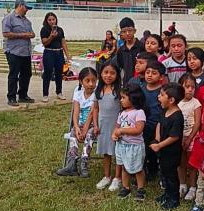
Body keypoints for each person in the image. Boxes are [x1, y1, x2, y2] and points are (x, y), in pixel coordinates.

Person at [56, 67, 98, 177]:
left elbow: (92, 113)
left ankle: (84, 162)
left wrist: (85, 129)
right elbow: (76, 111)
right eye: (87, 81)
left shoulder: (97, 92)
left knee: (89, 134)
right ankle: (72, 164)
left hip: (93, 124)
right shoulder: (78, 91)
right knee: (73, 133)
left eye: (93, 80)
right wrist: (76, 127)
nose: (91, 84)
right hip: (80, 124)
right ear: (81, 81)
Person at [151, 82, 185, 210]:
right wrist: (157, 139)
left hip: (172, 152)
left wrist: (160, 145)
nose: (159, 97)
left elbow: (174, 136)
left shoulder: (177, 116)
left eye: (162, 95)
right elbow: (159, 124)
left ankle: (174, 199)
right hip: (163, 150)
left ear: (171, 100)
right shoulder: (165, 110)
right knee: (164, 173)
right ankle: (167, 194)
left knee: (171, 176)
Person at [112, 83, 147, 201]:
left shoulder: (139, 112)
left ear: (133, 98)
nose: (121, 100)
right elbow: (116, 127)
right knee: (124, 167)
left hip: (134, 146)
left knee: (138, 168)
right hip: (122, 145)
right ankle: (125, 187)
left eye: (123, 98)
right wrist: (114, 134)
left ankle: (141, 188)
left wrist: (121, 130)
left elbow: (138, 129)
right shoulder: (122, 113)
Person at [1, 0, 36, 107]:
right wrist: (22, 35)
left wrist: (31, 35)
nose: (27, 11)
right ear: (20, 6)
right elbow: (5, 33)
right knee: (14, 75)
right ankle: (11, 97)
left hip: (26, 52)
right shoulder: (9, 18)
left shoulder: (27, 21)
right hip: (14, 51)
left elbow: (32, 33)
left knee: (26, 74)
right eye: (26, 8)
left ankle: (22, 95)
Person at [94, 63, 122, 192]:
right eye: (105, 72)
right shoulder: (98, 90)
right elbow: (95, 109)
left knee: (118, 152)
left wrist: (120, 127)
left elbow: (123, 109)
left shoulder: (119, 91)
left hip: (116, 125)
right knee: (106, 152)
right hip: (103, 125)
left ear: (117, 75)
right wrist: (95, 125)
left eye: (112, 73)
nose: (108, 75)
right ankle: (107, 176)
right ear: (100, 74)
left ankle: (117, 178)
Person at [177, 74, 202, 201]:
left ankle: (193, 187)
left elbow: (197, 123)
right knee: (181, 162)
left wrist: (190, 138)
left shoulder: (196, 103)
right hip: (179, 137)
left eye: (193, 87)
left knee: (192, 164)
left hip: (192, 137)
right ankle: (182, 184)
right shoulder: (178, 102)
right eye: (187, 86)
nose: (190, 89)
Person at [141, 61, 165, 181]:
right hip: (142, 125)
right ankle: (144, 170)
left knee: (154, 148)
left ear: (161, 77)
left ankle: (155, 170)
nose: (149, 75)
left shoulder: (163, 92)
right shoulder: (141, 88)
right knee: (143, 148)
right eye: (147, 72)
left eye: (154, 73)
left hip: (157, 125)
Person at [40, 12, 69, 102]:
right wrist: (51, 36)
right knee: (47, 74)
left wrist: (67, 54)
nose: (52, 21)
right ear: (46, 20)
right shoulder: (44, 30)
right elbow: (45, 43)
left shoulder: (60, 29)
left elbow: (63, 42)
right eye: (50, 20)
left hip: (59, 53)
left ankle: (59, 92)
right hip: (49, 53)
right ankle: (45, 94)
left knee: (59, 73)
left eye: (53, 19)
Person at [114, 17, 144, 84]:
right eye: (124, 31)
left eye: (130, 30)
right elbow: (120, 67)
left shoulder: (142, 47)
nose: (127, 33)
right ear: (121, 33)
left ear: (134, 31)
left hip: (141, 83)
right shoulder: (121, 51)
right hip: (126, 83)